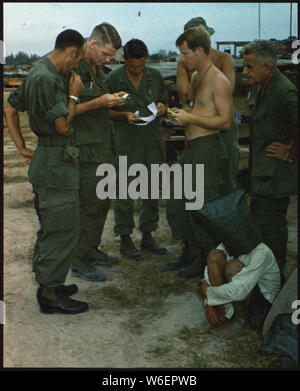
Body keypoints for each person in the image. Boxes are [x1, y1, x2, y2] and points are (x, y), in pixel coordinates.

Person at [4, 29, 88, 314]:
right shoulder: (47, 79)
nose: (75, 68)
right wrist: (74, 97)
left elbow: (10, 108)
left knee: (54, 227)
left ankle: (50, 282)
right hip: (55, 164)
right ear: (71, 52)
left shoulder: (38, 71)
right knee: (61, 229)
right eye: (76, 61)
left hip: (50, 160)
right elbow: (63, 126)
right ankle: (49, 294)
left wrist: (21, 146)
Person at [166, 27, 233, 278]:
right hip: (192, 148)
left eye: (186, 54)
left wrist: (191, 117)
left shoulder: (219, 81)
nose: (182, 59)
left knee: (201, 205)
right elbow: (198, 109)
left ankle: (207, 259)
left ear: (200, 51)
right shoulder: (197, 77)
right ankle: (191, 250)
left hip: (207, 149)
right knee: (178, 202)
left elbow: (225, 122)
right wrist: (182, 115)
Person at [69, 23, 127, 282]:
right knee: (87, 206)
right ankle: (79, 259)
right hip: (85, 153)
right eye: (105, 54)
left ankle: (91, 249)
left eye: (110, 57)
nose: (108, 60)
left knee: (102, 203)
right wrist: (99, 102)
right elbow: (64, 112)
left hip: (104, 148)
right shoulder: (73, 69)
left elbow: (97, 108)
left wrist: (111, 102)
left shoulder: (98, 70)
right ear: (92, 44)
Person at [107, 39, 168, 260]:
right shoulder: (114, 79)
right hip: (127, 144)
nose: (137, 70)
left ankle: (148, 236)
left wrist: (163, 108)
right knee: (125, 192)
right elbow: (104, 111)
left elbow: (164, 102)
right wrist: (123, 115)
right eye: (133, 66)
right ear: (124, 59)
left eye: (141, 65)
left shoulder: (155, 77)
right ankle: (124, 238)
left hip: (152, 143)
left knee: (151, 192)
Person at [241, 40, 298, 273]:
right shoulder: (264, 88)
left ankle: (274, 285)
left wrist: (291, 151)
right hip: (262, 176)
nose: (244, 72)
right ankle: (264, 279)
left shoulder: (284, 91)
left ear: (267, 67)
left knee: (272, 231)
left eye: (250, 67)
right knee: (261, 230)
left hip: (274, 179)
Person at [176, 17, 240, 195]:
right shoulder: (185, 62)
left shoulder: (224, 59)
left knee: (226, 176)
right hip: (200, 132)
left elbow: (228, 90)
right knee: (199, 184)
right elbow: (184, 95)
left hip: (222, 126)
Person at [198, 241, 281, 338]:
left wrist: (208, 293)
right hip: (239, 291)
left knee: (233, 267)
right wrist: (209, 303)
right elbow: (206, 279)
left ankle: (241, 321)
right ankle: (221, 314)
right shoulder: (229, 240)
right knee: (214, 256)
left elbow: (239, 291)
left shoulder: (262, 252)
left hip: (260, 303)